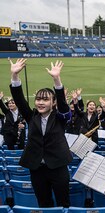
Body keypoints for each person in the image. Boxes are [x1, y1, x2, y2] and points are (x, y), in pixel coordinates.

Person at [9, 59, 73, 207]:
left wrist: (56, 79)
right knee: (43, 203)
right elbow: (19, 100)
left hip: (58, 166)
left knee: (64, 203)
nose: (40, 102)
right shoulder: (31, 116)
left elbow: (63, 106)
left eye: (45, 99)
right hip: (37, 168)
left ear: (53, 103)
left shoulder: (60, 118)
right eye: (38, 99)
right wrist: (14, 76)